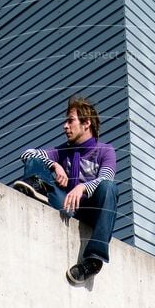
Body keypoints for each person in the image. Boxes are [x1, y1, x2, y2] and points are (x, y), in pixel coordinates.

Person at [13, 96, 118, 284]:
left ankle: (93, 261)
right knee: (35, 159)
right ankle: (38, 188)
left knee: (109, 187)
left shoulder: (105, 151)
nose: (65, 126)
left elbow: (106, 178)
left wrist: (82, 187)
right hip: (66, 204)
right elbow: (27, 153)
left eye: (70, 121)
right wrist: (54, 165)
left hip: (90, 211)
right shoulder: (64, 151)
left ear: (87, 123)